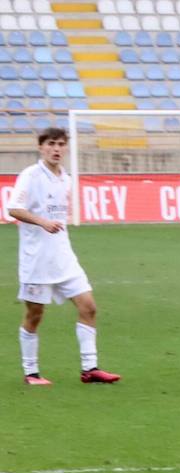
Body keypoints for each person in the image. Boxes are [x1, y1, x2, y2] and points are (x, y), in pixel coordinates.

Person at [9, 126, 120, 386]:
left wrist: (52, 225)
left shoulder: (65, 178)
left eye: (61, 144)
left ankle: (90, 368)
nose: (56, 149)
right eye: (51, 144)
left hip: (63, 257)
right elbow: (13, 208)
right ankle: (31, 373)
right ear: (41, 147)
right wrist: (42, 222)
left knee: (88, 307)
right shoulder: (31, 175)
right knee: (35, 314)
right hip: (36, 260)